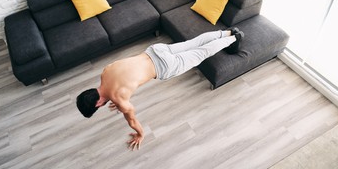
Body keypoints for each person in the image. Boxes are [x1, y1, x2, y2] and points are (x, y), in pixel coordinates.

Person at [76, 28, 244, 150]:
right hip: (156, 51)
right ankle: (227, 32)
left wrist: (141, 134)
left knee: (201, 53)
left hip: (165, 67)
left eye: (97, 108)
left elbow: (132, 121)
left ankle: (234, 38)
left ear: (97, 104)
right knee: (193, 43)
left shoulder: (120, 100)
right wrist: (116, 100)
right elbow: (123, 80)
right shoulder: (106, 72)